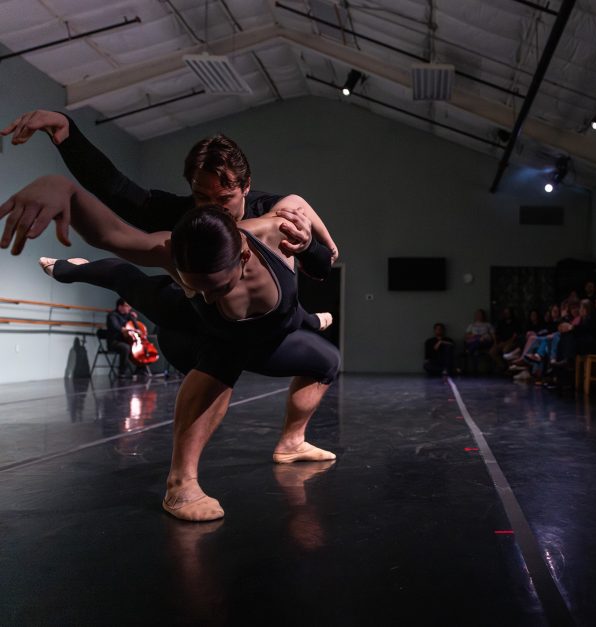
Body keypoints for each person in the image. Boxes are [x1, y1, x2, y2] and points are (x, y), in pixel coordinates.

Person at [5, 175, 341, 523]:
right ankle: (181, 484)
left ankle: (291, 443)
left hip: (270, 331)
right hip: (187, 322)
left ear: (243, 256)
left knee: (326, 359)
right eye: (199, 286)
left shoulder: (275, 229)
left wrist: (316, 247)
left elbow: (316, 235)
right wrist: (68, 192)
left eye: (218, 287)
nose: (210, 296)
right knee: (129, 280)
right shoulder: (171, 254)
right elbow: (113, 235)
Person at [0, 109, 337, 276]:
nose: (212, 210)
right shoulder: (184, 215)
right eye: (202, 198)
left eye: (224, 200)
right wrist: (67, 132)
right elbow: (117, 189)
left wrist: (307, 245)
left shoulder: (273, 211)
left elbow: (323, 265)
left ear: (245, 187)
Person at [105, 298, 136, 377]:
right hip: (114, 342)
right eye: (127, 306)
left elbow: (136, 327)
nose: (129, 308)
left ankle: (140, 368)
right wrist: (124, 329)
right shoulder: (112, 315)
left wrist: (134, 319)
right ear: (120, 307)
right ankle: (122, 372)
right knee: (126, 348)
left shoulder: (128, 316)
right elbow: (116, 327)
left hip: (125, 341)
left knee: (135, 347)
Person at [463, 309, 495, 374]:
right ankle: (473, 348)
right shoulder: (472, 325)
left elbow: (492, 335)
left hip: (485, 341)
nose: (479, 316)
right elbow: (466, 336)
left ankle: (469, 350)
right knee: (477, 340)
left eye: (480, 314)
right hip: (475, 339)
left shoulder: (487, 325)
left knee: (480, 340)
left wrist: (494, 343)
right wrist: (474, 336)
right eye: (477, 314)